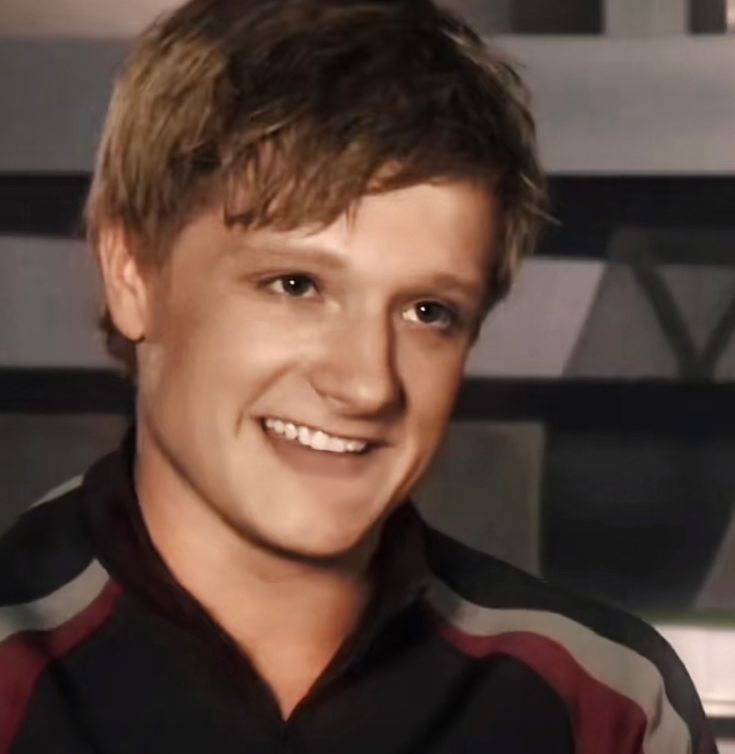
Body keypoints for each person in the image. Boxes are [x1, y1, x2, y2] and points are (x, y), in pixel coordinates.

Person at [0, 0, 718, 752]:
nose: (367, 383)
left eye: (427, 311)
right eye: (295, 285)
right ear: (131, 274)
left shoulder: (605, 707)